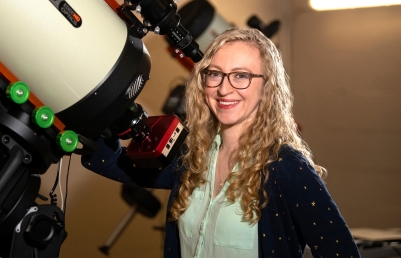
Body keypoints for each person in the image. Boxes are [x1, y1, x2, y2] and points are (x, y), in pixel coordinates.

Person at [81, 28, 360, 257]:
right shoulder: (192, 155)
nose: (224, 89)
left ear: (267, 86)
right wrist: (106, 107)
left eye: (241, 76)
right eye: (215, 74)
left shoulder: (285, 167)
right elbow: (112, 163)